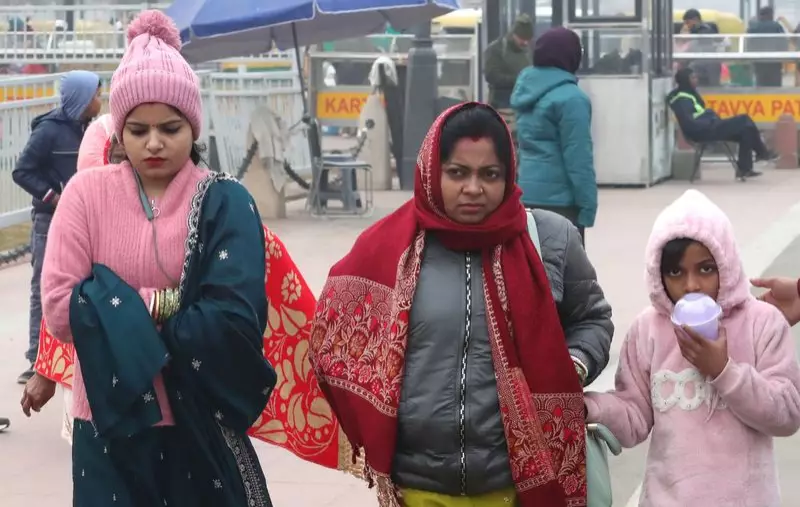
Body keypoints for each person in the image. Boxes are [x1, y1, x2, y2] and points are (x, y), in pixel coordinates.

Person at [310, 102, 613, 506]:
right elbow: (332, 336)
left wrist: (573, 364)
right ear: (432, 171)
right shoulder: (388, 248)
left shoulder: (550, 239)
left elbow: (592, 320)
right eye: (457, 172)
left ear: (509, 175)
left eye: (490, 174)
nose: (473, 188)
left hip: (521, 485)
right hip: (418, 486)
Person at [40, 11, 275, 506]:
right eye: (137, 129)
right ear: (118, 131)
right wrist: (165, 303)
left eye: (170, 127)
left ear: (193, 126)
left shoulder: (223, 201)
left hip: (200, 417)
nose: (153, 143)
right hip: (106, 422)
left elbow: (236, 315)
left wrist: (114, 302)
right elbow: (61, 310)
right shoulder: (84, 195)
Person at [585, 189, 800, 506]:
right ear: (658, 274)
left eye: (705, 268)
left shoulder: (763, 322)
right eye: (675, 272)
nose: (691, 285)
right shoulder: (648, 329)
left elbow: (787, 415)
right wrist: (591, 408)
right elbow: (634, 416)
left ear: (726, 265)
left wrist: (724, 371)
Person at [11, 69, 102, 384]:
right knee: (43, 287)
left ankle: (74, 356)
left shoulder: (92, 129)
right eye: (96, 95)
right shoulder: (49, 130)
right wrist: (54, 197)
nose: (100, 100)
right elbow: (22, 171)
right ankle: (37, 359)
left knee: (81, 285)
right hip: (49, 221)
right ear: (82, 98)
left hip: (83, 220)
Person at [512, 27, 596, 245]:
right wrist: (587, 205)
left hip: (525, 196)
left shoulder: (527, 90)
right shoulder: (572, 99)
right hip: (561, 203)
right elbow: (578, 157)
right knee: (565, 266)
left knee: (531, 263)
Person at [669, 67, 777, 179]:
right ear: (685, 80)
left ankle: (745, 169)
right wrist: (711, 119)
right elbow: (691, 123)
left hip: (709, 127)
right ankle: (762, 153)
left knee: (746, 130)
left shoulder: (689, 94)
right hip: (703, 131)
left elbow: (699, 114)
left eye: (696, 77)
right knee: (744, 119)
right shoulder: (682, 99)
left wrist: (711, 116)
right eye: (693, 78)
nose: (696, 79)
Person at [483, 14, 534, 140]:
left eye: (527, 39)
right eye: (521, 38)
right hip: (501, 105)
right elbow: (492, 76)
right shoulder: (496, 49)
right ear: (513, 34)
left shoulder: (529, 51)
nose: (525, 42)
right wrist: (519, 80)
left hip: (524, 106)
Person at [747, 6, 787, 87]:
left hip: (758, 62)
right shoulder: (777, 26)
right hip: (774, 63)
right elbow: (783, 44)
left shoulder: (753, 27)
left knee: (760, 86)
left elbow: (748, 44)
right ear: (770, 14)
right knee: (775, 87)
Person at [682, 9, 722, 86]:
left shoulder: (705, 30)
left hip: (708, 64)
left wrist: (688, 36)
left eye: (687, 22)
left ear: (695, 19)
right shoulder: (701, 30)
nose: (687, 26)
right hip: (704, 64)